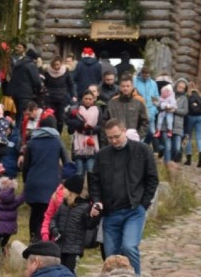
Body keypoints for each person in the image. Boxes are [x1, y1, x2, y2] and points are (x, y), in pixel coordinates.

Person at [88, 119, 159, 277]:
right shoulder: (102, 155)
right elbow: (94, 181)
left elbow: (152, 179)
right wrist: (97, 200)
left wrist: (144, 204)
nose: (113, 140)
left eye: (116, 136)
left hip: (134, 210)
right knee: (111, 256)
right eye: (110, 138)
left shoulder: (142, 150)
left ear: (124, 130)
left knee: (129, 247)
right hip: (110, 213)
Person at [22, 114, 69, 243]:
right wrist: (64, 180)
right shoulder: (57, 142)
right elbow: (68, 163)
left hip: (33, 182)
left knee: (35, 212)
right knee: (46, 213)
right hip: (51, 183)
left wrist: (26, 181)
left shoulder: (31, 142)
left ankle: (33, 238)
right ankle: (41, 239)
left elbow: (25, 166)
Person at [48, 175, 96, 272]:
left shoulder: (85, 207)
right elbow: (53, 219)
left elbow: (89, 225)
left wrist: (94, 216)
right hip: (59, 247)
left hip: (74, 250)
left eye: (65, 188)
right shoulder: (63, 205)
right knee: (58, 272)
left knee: (69, 272)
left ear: (72, 192)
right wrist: (54, 230)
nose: (63, 190)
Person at [65, 91, 101, 176]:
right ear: (82, 98)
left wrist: (91, 130)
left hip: (92, 143)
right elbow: (68, 121)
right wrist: (81, 125)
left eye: (90, 99)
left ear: (93, 100)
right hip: (78, 142)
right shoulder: (75, 109)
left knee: (90, 170)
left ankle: (91, 189)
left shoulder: (98, 110)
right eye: (86, 98)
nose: (88, 101)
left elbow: (100, 125)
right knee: (79, 171)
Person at [0, 176, 25, 263]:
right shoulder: (14, 199)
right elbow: (22, 199)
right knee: (4, 243)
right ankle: (4, 260)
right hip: (9, 227)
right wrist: (26, 189)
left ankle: (0, 260)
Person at [43, 56, 77, 132]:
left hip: (62, 99)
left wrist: (74, 95)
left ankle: (59, 134)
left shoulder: (65, 71)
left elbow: (71, 84)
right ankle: (52, 133)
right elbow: (44, 84)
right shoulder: (47, 72)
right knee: (51, 117)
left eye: (58, 64)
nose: (56, 67)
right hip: (50, 99)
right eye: (55, 65)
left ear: (61, 64)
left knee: (60, 118)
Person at [159, 79, 189, 164]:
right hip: (166, 125)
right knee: (168, 146)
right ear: (176, 86)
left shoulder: (184, 99)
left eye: (183, 88)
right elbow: (160, 105)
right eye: (180, 87)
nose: (181, 89)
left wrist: (175, 110)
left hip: (178, 127)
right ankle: (167, 166)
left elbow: (185, 111)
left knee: (176, 148)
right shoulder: (168, 94)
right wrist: (165, 107)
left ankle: (172, 162)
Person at [8, 47, 44, 115]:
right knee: (25, 114)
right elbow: (37, 81)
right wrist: (39, 90)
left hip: (15, 93)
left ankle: (17, 125)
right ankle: (22, 126)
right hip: (26, 94)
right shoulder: (31, 65)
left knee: (18, 114)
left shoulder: (17, 64)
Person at [133, 67, 159, 150]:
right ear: (141, 74)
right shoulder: (135, 81)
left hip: (151, 111)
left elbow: (156, 97)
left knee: (152, 132)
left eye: (148, 75)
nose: (146, 77)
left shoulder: (153, 83)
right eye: (144, 75)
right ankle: (140, 148)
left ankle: (145, 147)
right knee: (140, 131)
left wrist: (155, 110)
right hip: (138, 111)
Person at [183, 81, 201, 167]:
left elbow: (186, 110)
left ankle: (188, 159)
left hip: (191, 117)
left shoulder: (187, 96)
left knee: (188, 137)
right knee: (199, 138)